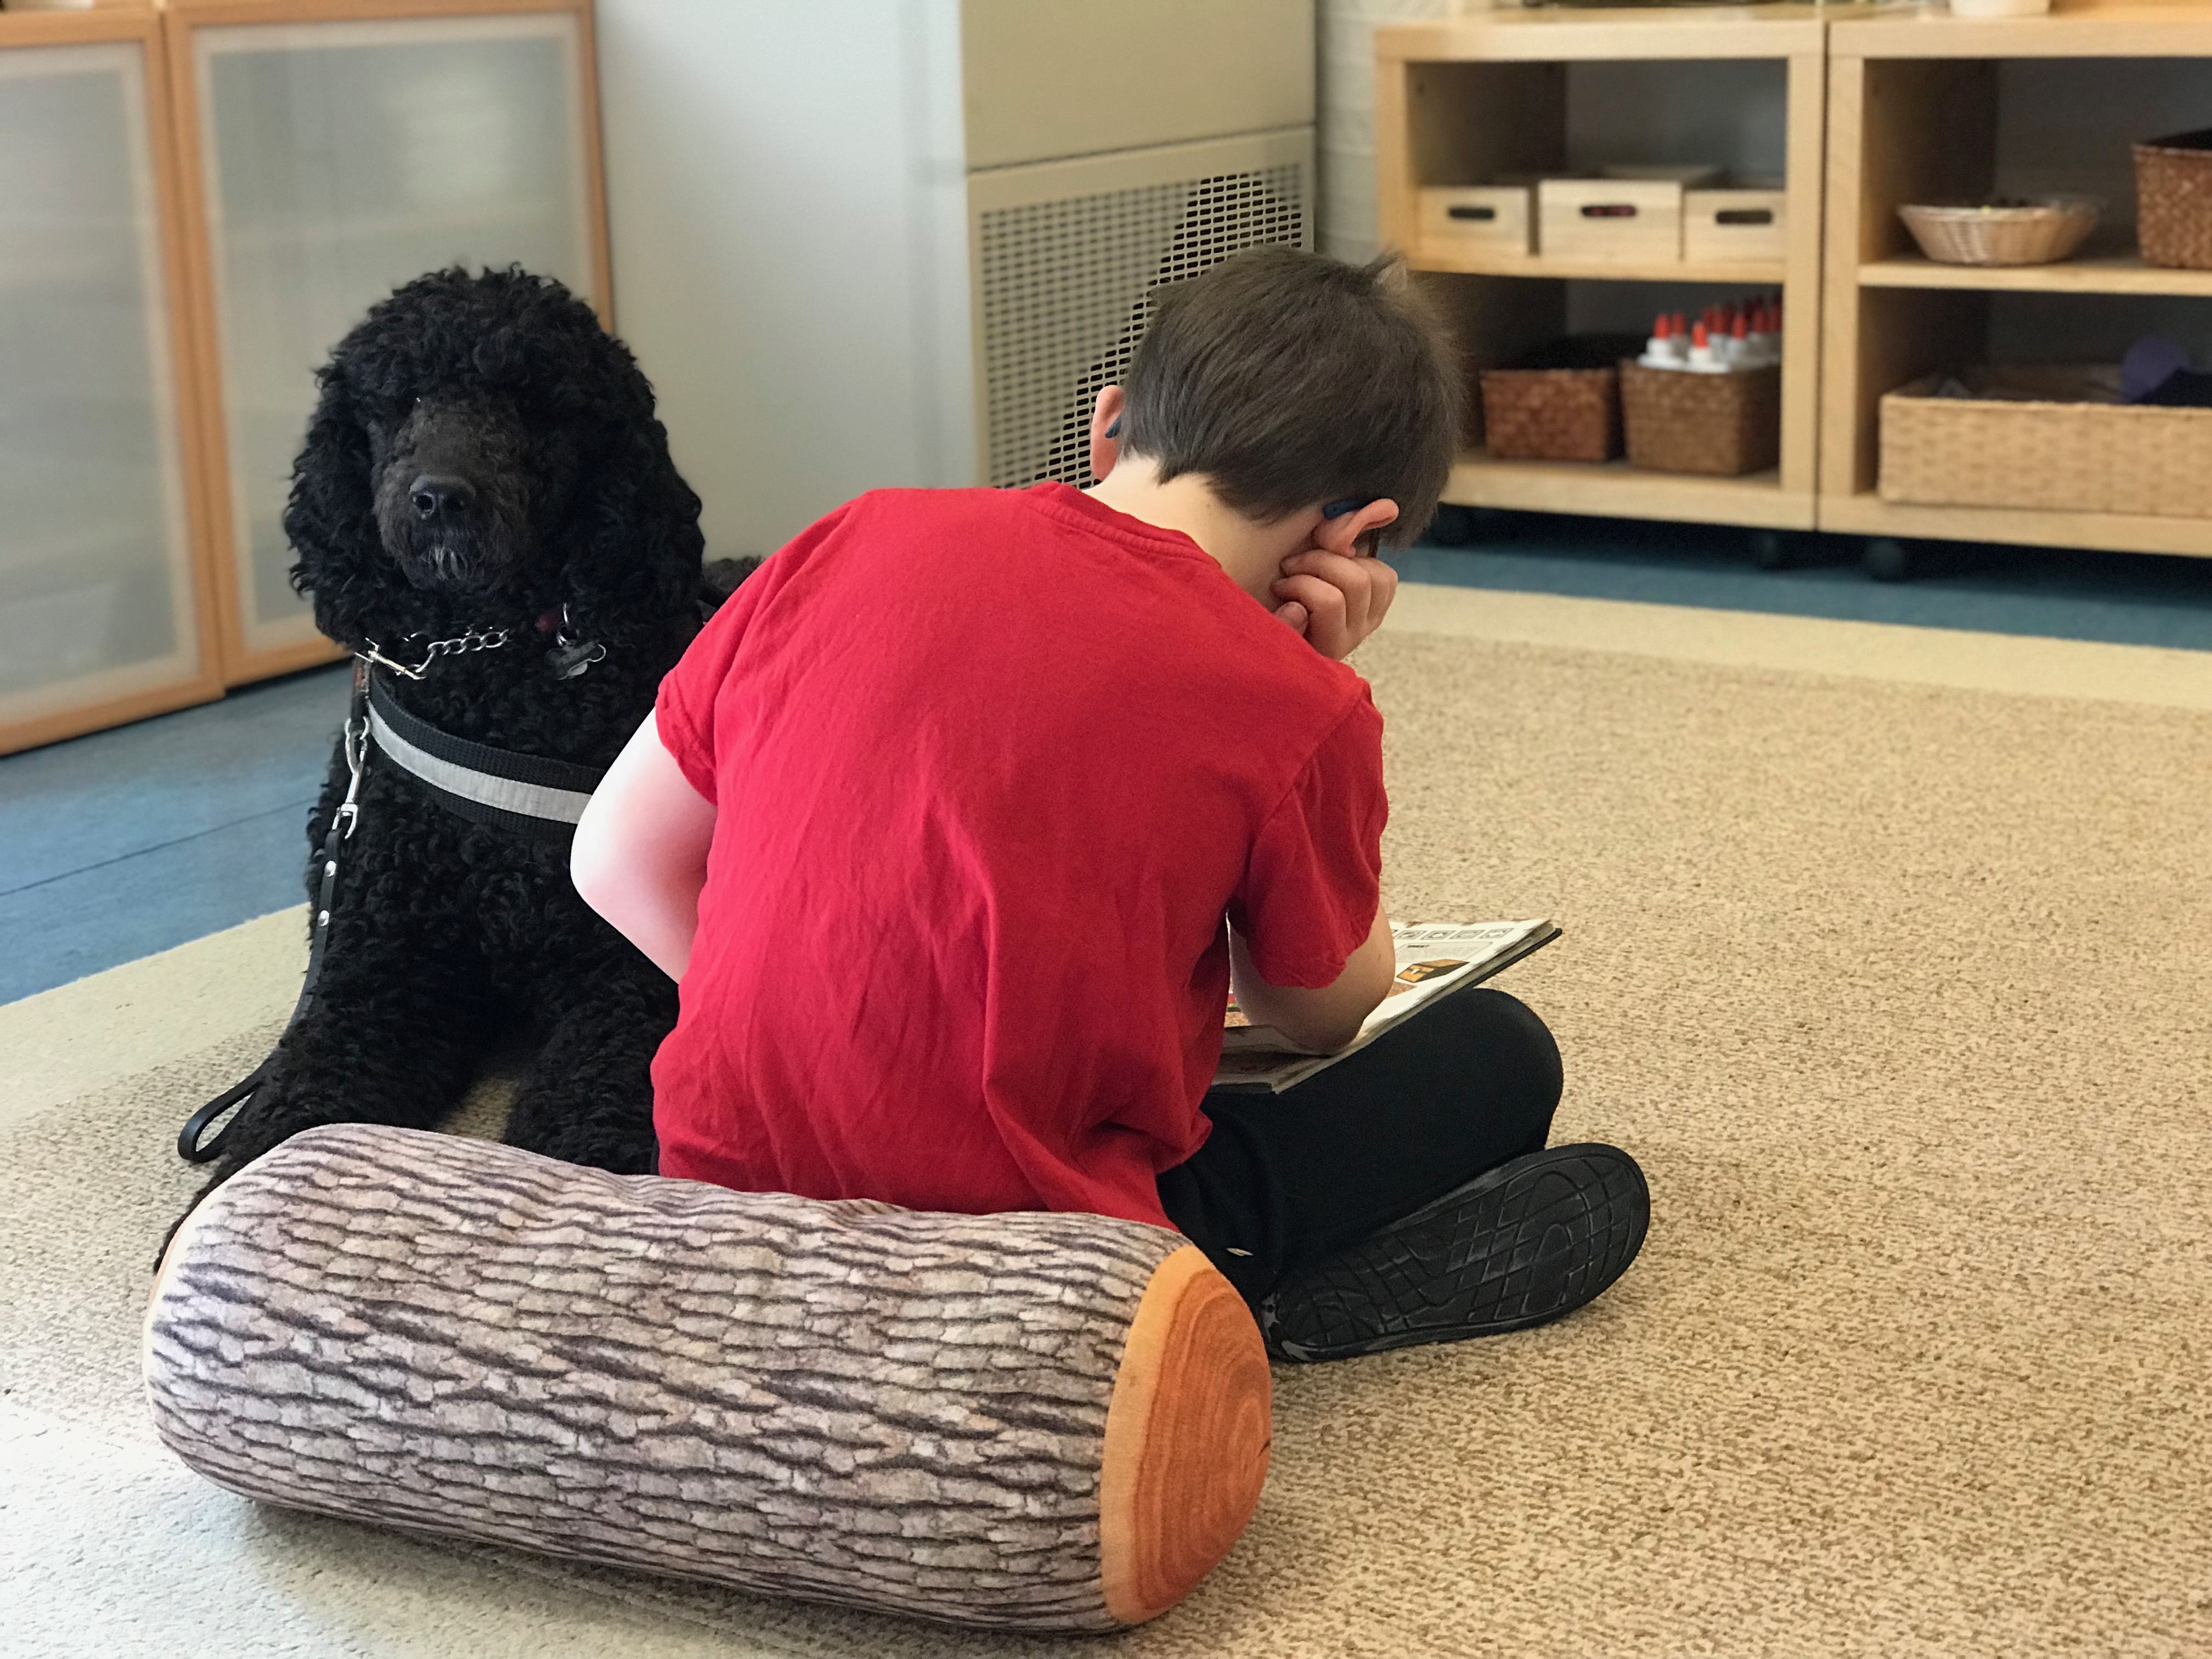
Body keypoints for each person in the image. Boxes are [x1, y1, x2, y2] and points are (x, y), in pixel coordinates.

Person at [571, 247, 1646, 1361]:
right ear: (1355, 532)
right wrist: (1327, 689)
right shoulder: (1290, 700)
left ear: (1108, 420)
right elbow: (1315, 1010)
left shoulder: (850, 533)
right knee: (1500, 1053)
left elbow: (614, 860)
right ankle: (1242, 1293)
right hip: (1036, 1265)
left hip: (724, 1196)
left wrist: (847, 1039)